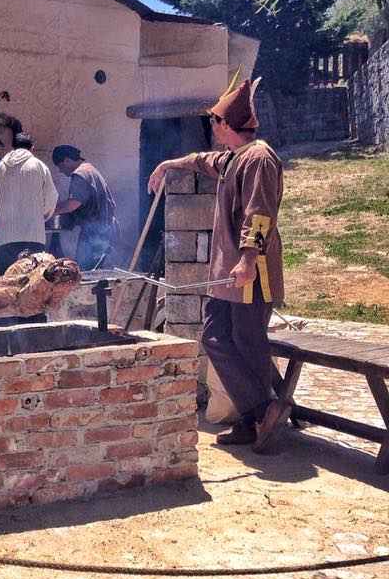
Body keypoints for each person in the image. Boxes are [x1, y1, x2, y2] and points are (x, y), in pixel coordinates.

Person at [148, 78, 287, 453]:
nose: (212, 127)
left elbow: (260, 213)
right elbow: (200, 160)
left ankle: (261, 415)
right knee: (214, 337)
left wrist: (247, 259)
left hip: (250, 274)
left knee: (248, 342)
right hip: (227, 277)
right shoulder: (232, 158)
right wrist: (167, 164)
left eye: (214, 121)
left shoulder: (259, 158)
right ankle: (256, 414)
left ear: (226, 124)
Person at [0, 131, 58, 274]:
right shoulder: (40, 167)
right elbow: (51, 198)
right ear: (32, 148)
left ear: (13, 148)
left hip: (5, 237)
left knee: (6, 281)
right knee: (33, 281)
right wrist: (41, 216)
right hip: (34, 236)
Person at [50, 144, 117, 270]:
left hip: (95, 234)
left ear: (67, 160)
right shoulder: (89, 169)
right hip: (103, 231)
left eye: (60, 166)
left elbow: (74, 203)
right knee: (97, 270)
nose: (60, 171)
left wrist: (53, 211)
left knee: (87, 271)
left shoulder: (81, 174)